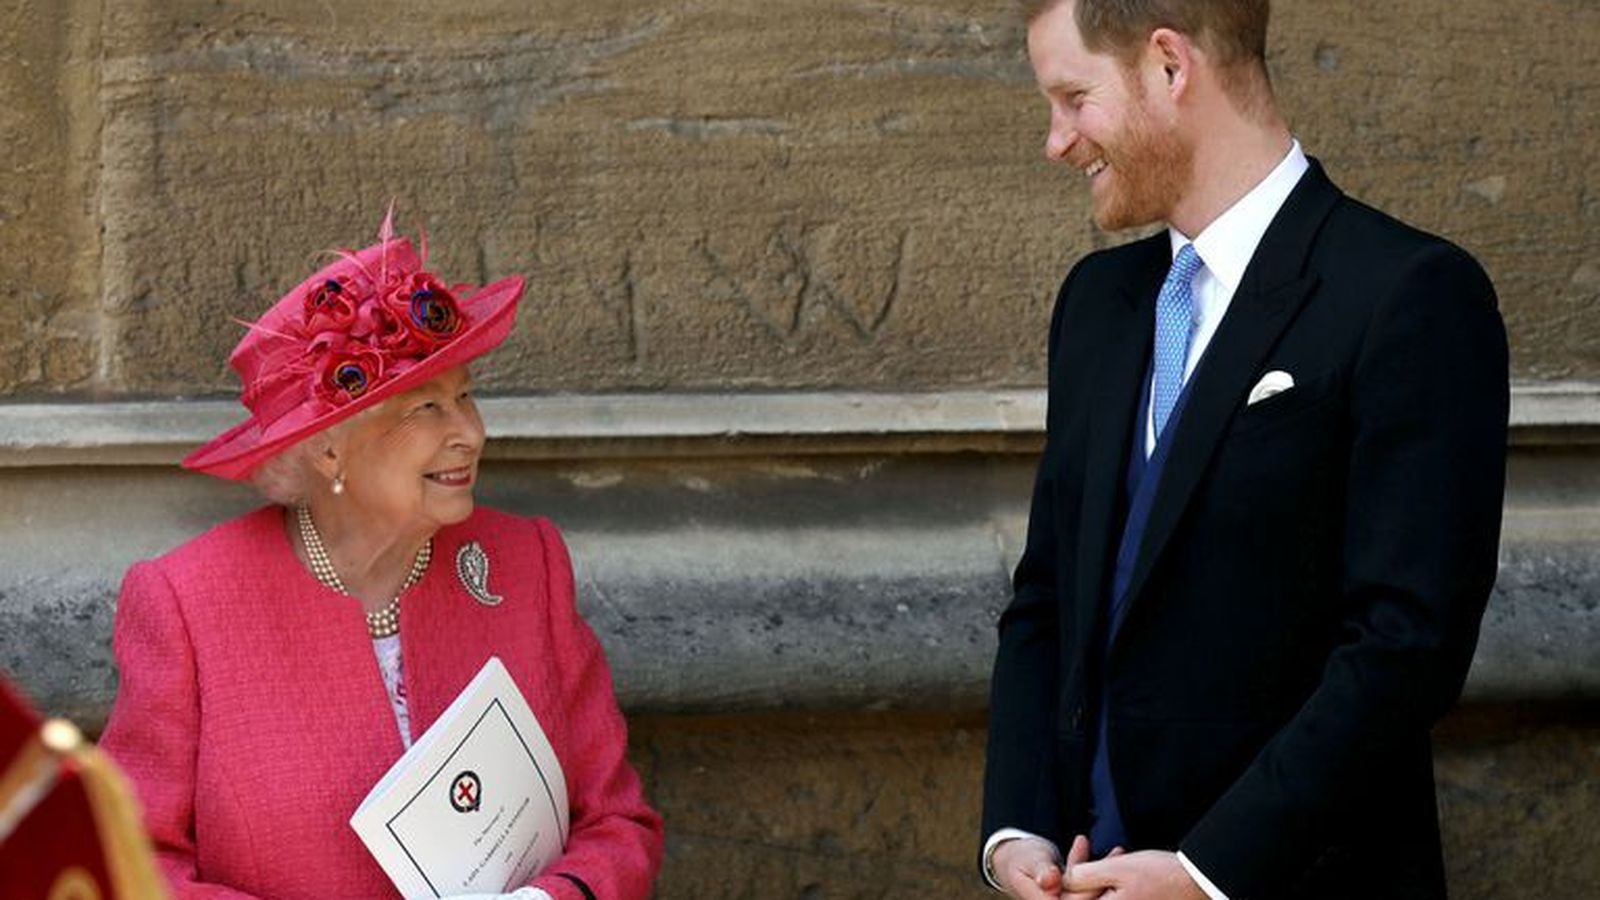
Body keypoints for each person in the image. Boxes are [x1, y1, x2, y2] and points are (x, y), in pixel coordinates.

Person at [980, 2, 1507, 898]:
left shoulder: (1408, 293)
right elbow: (1049, 598)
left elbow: (1406, 645)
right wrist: (1016, 829)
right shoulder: (1099, 303)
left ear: (1169, 66)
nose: (1057, 142)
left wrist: (1206, 872)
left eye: (1074, 98)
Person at [99, 212, 663, 899]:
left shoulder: (526, 563)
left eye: (465, 396)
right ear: (328, 449)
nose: (470, 433)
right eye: (426, 409)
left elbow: (617, 824)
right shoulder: (188, 604)